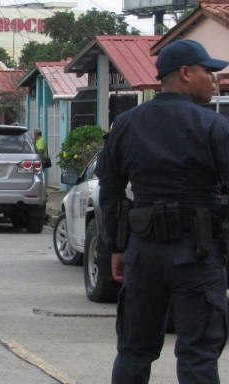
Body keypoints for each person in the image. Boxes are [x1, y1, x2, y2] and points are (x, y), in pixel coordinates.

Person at [98, 39, 229, 384]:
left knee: (133, 350)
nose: (215, 79)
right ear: (186, 73)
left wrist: (117, 246)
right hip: (197, 254)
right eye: (209, 71)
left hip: (143, 254)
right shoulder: (213, 126)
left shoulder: (126, 124)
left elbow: (109, 191)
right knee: (198, 355)